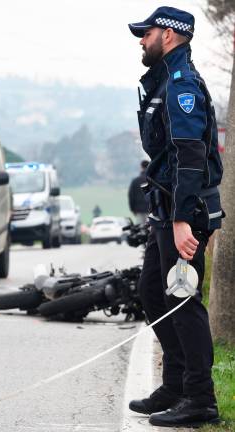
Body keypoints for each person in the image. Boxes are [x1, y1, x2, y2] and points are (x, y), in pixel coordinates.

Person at [127, 6, 224, 428]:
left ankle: (201, 399)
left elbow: (190, 155)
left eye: (145, 33)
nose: (141, 40)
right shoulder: (164, 78)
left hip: (185, 211)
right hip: (165, 209)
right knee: (153, 294)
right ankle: (177, 384)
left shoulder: (182, 84)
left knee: (182, 300)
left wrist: (183, 219)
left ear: (168, 34)